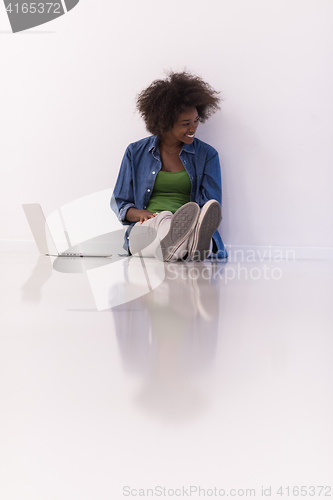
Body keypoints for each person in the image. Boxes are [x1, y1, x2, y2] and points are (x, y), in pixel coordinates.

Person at [111, 71, 228, 261]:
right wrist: (142, 214)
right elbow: (120, 203)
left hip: (190, 225)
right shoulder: (135, 152)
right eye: (185, 124)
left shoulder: (207, 155)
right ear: (165, 123)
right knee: (164, 219)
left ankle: (182, 244)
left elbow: (211, 208)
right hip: (148, 226)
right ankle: (189, 246)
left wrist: (196, 220)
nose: (193, 128)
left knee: (187, 224)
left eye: (196, 120)